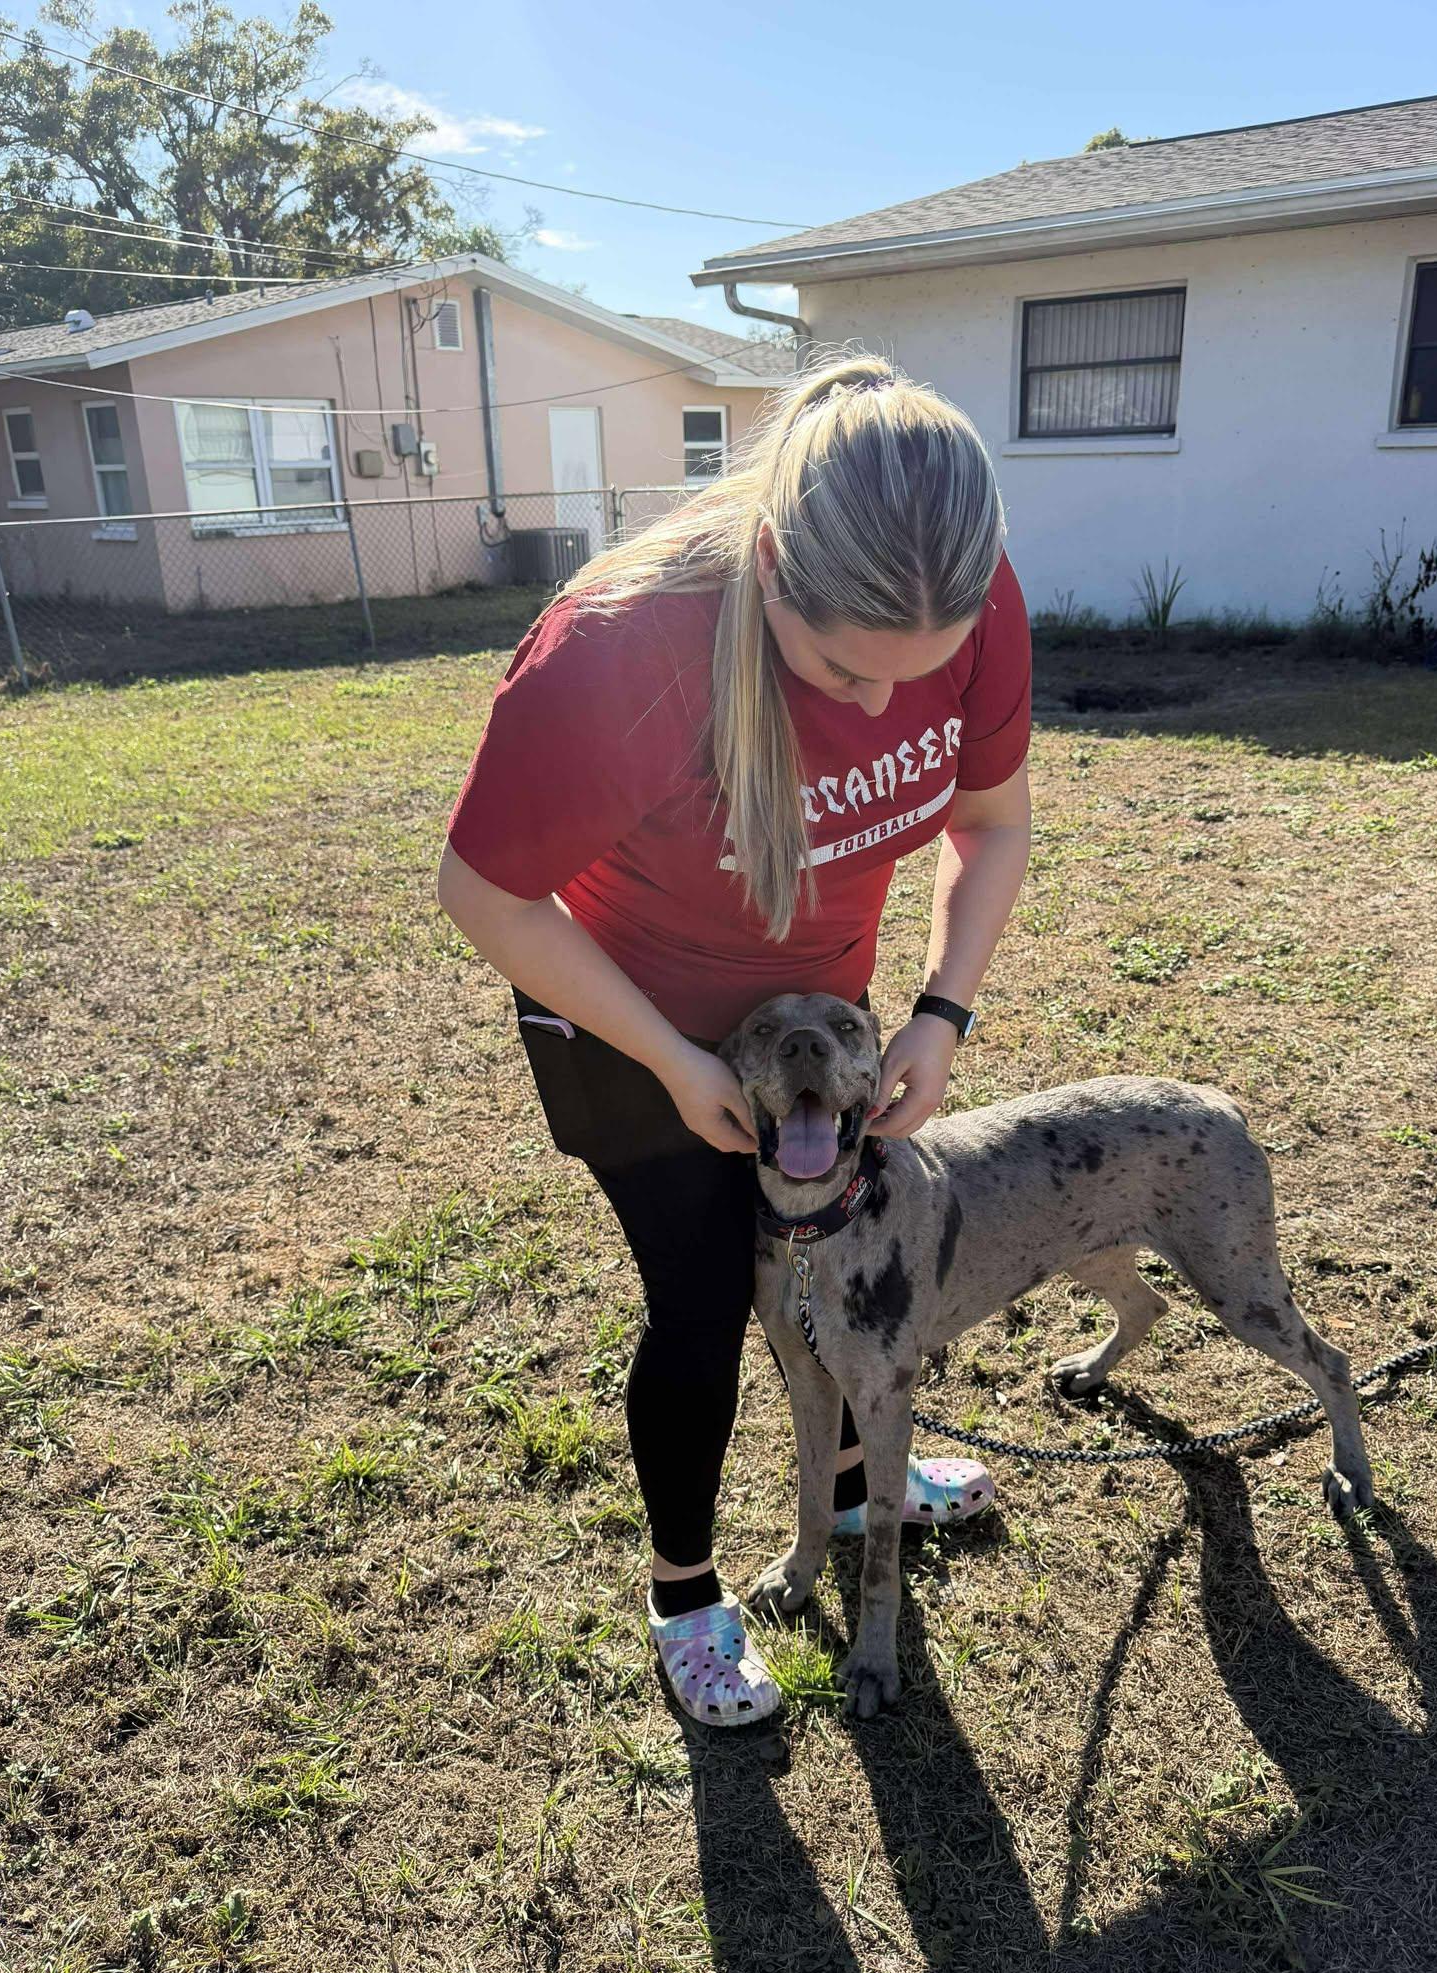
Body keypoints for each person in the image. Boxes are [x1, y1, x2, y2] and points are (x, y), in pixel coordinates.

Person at [437, 349, 1033, 1727]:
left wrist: (940, 1009)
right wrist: (674, 1060)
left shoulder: (971, 586)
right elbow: (486, 894)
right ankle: (687, 1594)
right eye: (840, 669)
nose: (881, 710)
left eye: (919, 675)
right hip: (616, 1014)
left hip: (812, 1024)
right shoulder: (618, 650)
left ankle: (843, 1485)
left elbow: (992, 825)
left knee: (824, 1259)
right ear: (770, 563)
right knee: (709, 1294)